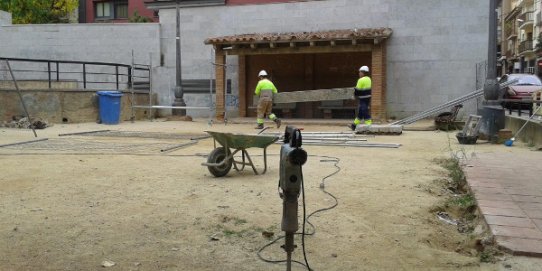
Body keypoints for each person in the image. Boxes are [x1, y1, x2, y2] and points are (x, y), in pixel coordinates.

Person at [350, 66, 372, 130]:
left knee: (364, 110)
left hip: (362, 98)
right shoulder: (369, 79)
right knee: (361, 112)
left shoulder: (360, 80)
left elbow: (357, 90)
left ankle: (369, 124)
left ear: (363, 73)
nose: (359, 73)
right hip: (368, 97)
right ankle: (354, 125)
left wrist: (353, 95)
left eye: (360, 72)